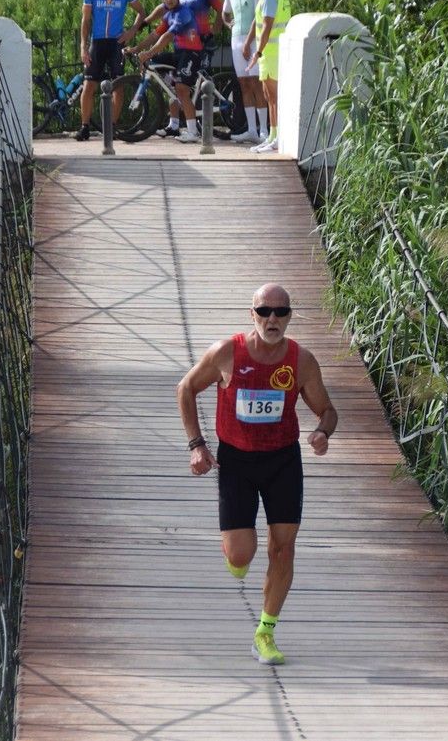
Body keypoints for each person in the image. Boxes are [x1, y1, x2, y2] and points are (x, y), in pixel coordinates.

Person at [176, 284, 338, 666]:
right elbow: (185, 388)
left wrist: (322, 433)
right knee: (240, 554)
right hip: (237, 462)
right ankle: (238, 556)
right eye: (265, 311)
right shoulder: (227, 353)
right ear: (252, 314)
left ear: (289, 317)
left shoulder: (301, 361)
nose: (272, 319)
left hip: (283, 461)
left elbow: (328, 410)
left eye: (281, 313)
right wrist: (197, 445)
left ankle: (265, 631)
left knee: (283, 547)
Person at [143, 0, 226, 138]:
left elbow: (222, 8)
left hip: (202, 42)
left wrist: (216, 29)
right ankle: (174, 124)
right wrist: (146, 21)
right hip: (181, 43)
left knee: (191, 83)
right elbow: (163, 8)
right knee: (174, 82)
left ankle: (197, 123)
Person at [77, 0, 144, 142]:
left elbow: (141, 12)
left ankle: (112, 127)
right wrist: (83, 47)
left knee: (118, 87)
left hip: (116, 43)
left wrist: (131, 32)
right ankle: (85, 127)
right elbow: (85, 21)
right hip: (97, 43)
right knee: (89, 85)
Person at [126, 0, 206, 143]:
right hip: (179, 53)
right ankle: (174, 125)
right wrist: (135, 49)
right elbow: (154, 36)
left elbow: (167, 37)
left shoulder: (183, 12)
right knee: (166, 80)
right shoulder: (168, 14)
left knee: (181, 89)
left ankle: (192, 132)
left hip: (192, 53)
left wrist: (148, 53)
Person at [244, 0, 291, 153]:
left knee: (273, 97)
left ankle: (278, 138)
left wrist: (258, 51)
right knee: (268, 95)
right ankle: (272, 136)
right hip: (270, 53)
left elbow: (268, 25)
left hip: (272, 52)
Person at [222, 0, 267, 143]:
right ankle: (251, 130)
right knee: (244, 84)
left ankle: (263, 130)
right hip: (236, 40)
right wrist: (228, 24)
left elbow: (259, 16)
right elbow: (225, 13)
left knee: (256, 82)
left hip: (253, 40)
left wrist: (249, 42)